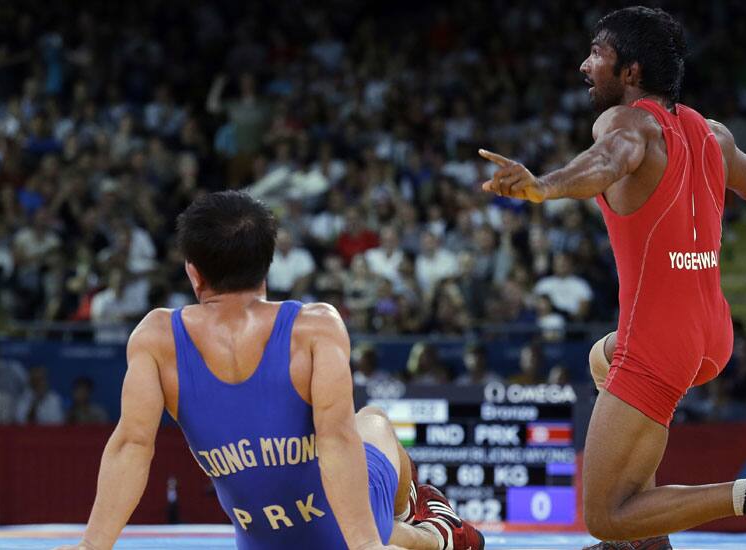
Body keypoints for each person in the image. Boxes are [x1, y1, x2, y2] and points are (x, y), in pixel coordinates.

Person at [480, 7, 746, 549]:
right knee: (598, 359)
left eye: (597, 54)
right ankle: (647, 542)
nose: (586, 65)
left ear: (631, 73)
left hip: (660, 341)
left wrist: (543, 186)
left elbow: (607, 161)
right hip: (712, 334)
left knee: (605, 516)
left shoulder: (627, 123)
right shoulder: (713, 134)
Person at [55, 191, 482, 550]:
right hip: (348, 531)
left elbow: (131, 444)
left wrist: (92, 546)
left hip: (262, 540)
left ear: (193, 272)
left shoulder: (156, 337)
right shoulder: (315, 327)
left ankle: (419, 531)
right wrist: (368, 547)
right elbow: (336, 440)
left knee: (362, 443)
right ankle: (433, 531)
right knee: (372, 423)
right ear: (268, 264)